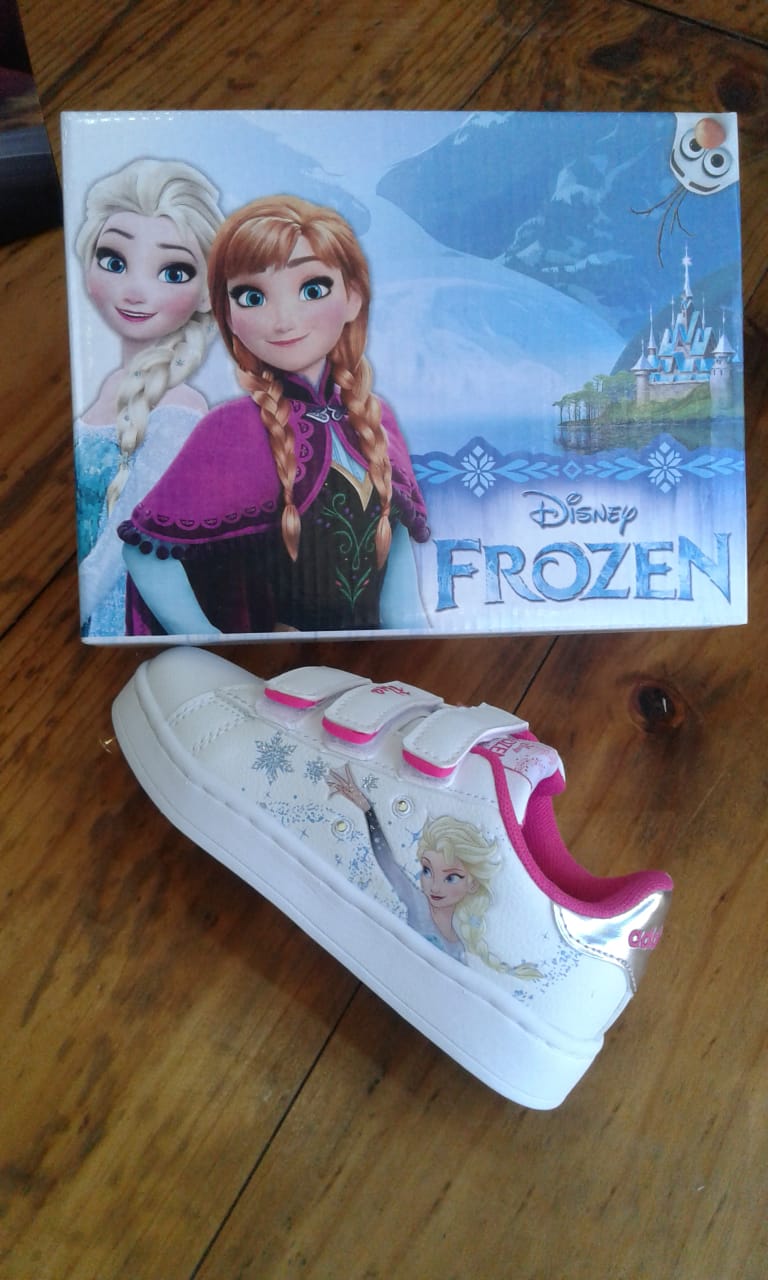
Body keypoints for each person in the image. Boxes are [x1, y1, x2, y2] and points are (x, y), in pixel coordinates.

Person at [118, 194, 429, 637]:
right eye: (251, 296)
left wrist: (413, 636)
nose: (283, 321)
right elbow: (144, 550)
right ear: (228, 315)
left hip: (377, 653)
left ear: (353, 297)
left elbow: (397, 565)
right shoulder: (232, 428)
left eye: (312, 289)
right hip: (282, 654)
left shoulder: (374, 418)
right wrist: (211, 640)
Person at [73, 158, 223, 635]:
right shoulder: (108, 387)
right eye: (114, 262)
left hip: (119, 615)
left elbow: (127, 537)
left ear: (206, 293)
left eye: (174, 271)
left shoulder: (180, 408)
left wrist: (69, 608)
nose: (136, 291)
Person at [326, 764, 536, 974]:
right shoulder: (420, 906)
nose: (435, 887)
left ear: (472, 883)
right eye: (427, 871)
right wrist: (367, 810)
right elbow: (388, 864)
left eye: (451, 878)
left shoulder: (464, 934)